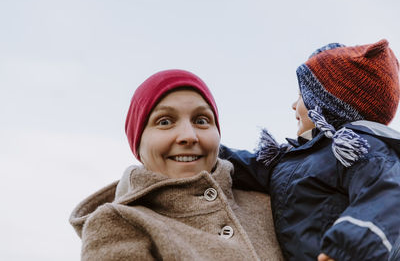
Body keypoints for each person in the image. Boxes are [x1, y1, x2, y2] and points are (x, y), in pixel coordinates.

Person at [69, 69, 283, 260]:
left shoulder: (270, 204)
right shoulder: (120, 222)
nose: (189, 136)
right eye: (164, 122)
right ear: (138, 143)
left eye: (201, 120)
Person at [221, 39, 400, 260]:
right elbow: (242, 165)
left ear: (324, 104)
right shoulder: (292, 158)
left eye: (300, 95)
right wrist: (204, 147)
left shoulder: (360, 148)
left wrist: (347, 248)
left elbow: (387, 194)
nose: (293, 105)